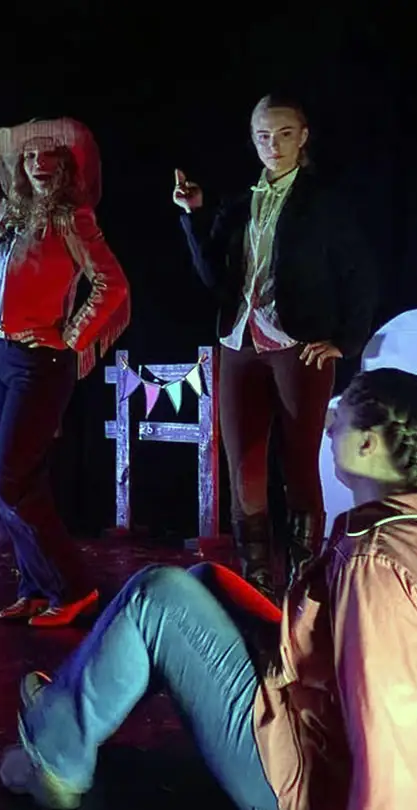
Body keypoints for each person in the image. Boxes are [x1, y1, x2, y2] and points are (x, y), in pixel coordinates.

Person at [0, 368, 417, 810]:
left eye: (338, 420)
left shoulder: (378, 569)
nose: (328, 427)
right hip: (323, 721)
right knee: (206, 582)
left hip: (307, 782)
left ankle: (56, 754)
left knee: (157, 594)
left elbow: (393, 721)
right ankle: (78, 705)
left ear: (369, 446)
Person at [0, 102, 129, 627]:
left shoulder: (73, 218)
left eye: (49, 154)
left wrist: (72, 333)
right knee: (21, 480)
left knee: (11, 481)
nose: (38, 161)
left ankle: (73, 588)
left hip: (41, 360)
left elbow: (113, 284)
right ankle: (35, 586)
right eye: (30, 154)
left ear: (67, 164)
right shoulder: (12, 214)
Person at [174, 94, 378, 601]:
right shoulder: (240, 203)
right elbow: (214, 279)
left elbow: (360, 275)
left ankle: (306, 578)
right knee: (243, 460)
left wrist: (345, 341)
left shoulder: (323, 201)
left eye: (284, 134)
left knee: (299, 460)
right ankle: (258, 579)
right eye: (263, 136)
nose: (274, 145)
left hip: (298, 344)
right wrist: (195, 217)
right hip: (239, 340)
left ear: (303, 136)